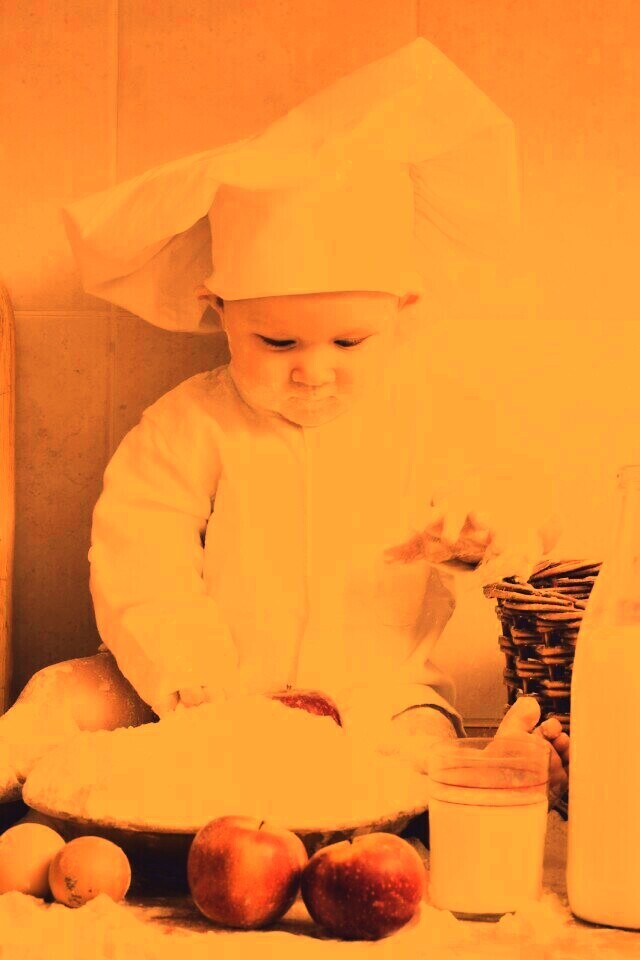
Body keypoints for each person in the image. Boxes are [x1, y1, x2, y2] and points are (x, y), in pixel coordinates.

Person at [0, 38, 568, 810]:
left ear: (402, 313)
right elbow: (140, 561)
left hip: (377, 698)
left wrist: (480, 537)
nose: (313, 371)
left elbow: (523, 513)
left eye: (349, 343)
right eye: (277, 342)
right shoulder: (187, 427)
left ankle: (497, 773)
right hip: (198, 695)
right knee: (62, 693)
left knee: (420, 746)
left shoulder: (433, 420)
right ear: (219, 310)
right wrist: (197, 683)